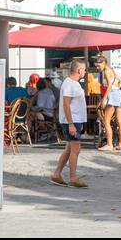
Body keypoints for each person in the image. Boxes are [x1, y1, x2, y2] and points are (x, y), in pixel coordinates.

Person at [51, 60, 88, 188]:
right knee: (76, 149)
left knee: (69, 149)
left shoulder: (72, 84)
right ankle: (73, 177)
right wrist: (71, 124)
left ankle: (57, 174)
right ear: (78, 70)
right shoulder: (70, 84)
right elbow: (66, 104)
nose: (85, 71)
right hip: (72, 121)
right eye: (83, 69)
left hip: (74, 120)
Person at [98, 59, 121, 152]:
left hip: (112, 93)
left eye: (99, 65)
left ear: (104, 63)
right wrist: (116, 89)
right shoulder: (111, 69)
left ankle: (109, 144)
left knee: (106, 120)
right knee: (120, 121)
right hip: (119, 93)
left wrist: (104, 99)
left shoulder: (106, 71)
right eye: (96, 66)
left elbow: (109, 85)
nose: (98, 68)